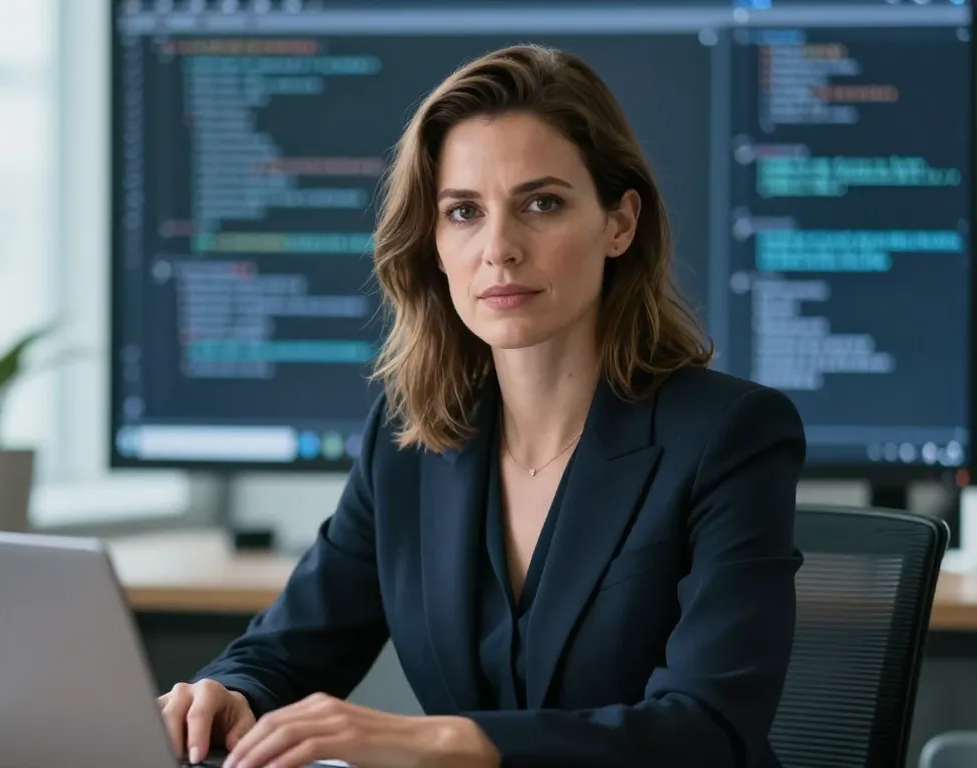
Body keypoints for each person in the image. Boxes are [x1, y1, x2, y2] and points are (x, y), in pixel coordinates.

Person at [160, 44, 805, 768]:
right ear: (433, 244)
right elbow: (290, 647)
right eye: (463, 212)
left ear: (619, 224)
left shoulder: (730, 435)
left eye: (542, 203)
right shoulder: (410, 440)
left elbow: (705, 730)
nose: (499, 248)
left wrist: (438, 739)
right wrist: (224, 688)